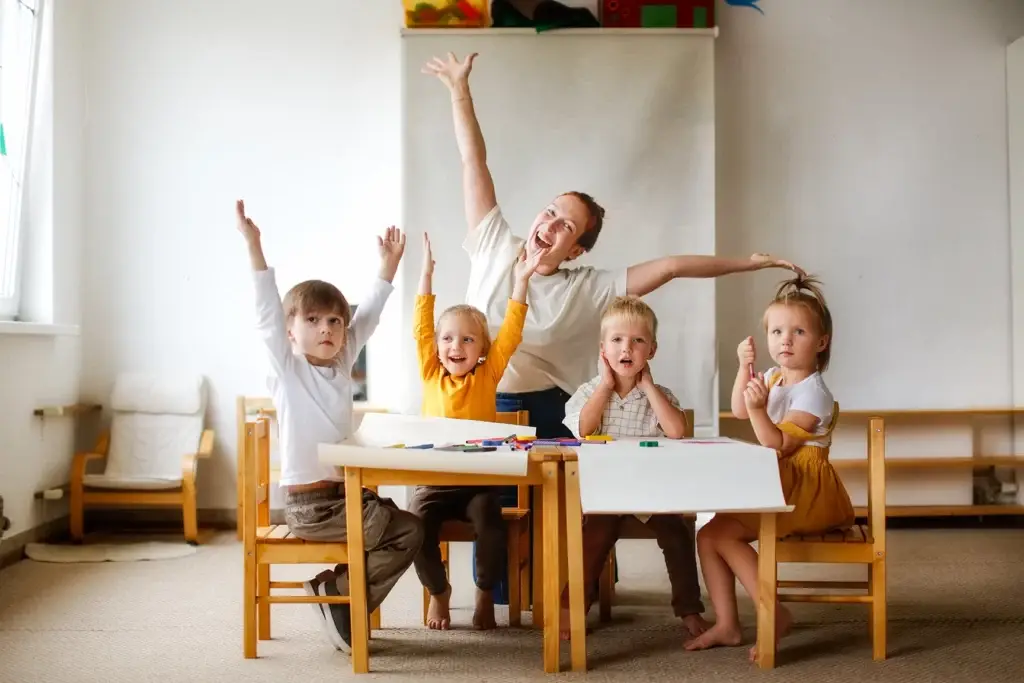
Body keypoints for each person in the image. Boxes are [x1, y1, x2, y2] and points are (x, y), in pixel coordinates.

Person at [422, 50, 807, 440]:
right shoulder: (495, 244)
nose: (550, 226)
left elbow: (671, 266)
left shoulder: (586, 287)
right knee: (481, 498)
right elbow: (474, 161)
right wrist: (459, 89)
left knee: (550, 500)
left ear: (575, 250)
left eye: (567, 226)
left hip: (551, 408)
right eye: (550, 212)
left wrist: (749, 263)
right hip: (477, 397)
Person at [235, 200, 424, 654]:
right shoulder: (287, 371)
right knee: (404, 530)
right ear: (289, 332)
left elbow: (370, 316)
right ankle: (341, 600)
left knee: (411, 528)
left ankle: (334, 590)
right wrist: (255, 247)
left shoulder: (341, 364)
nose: (327, 329)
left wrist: (388, 267)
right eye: (313, 320)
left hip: (346, 497)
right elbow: (265, 312)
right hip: (311, 507)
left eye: (335, 321)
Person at [684, 276, 855, 661]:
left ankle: (773, 612)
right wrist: (745, 369)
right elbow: (741, 408)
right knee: (709, 535)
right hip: (778, 484)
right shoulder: (776, 376)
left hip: (805, 493)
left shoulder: (814, 392)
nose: (786, 340)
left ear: (821, 342)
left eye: (798, 331)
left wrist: (762, 410)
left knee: (724, 536)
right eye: (777, 331)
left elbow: (776, 443)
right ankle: (728, 625)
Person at [407, 232, 547, 631]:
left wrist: (521, 280)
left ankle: (485, 592)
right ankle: (439, 593)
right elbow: (421, 327)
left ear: (482, 348)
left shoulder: (487, 374)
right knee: (415, 529)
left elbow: (512, 335)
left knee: (492, 524)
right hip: (432, 485)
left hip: (478, 485)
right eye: (448, 338)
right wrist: (425, 276)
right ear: (436, 347)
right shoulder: (431, 372)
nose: (457, 345)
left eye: (468, 339)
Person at [561, 296, 708, 640]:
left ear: (651, 350)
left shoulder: (661, 395)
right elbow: (583, 429)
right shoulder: (588, 392)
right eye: (617, 340)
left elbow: (677, 431)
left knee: (678, 533)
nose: (626, 348)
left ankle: (689, 608)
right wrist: (606, 386)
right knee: (594, 535)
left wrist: (647, 387)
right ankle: (573, 606)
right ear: (603, 349)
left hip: (650, 493)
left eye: (637, 341)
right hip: (606, 493)